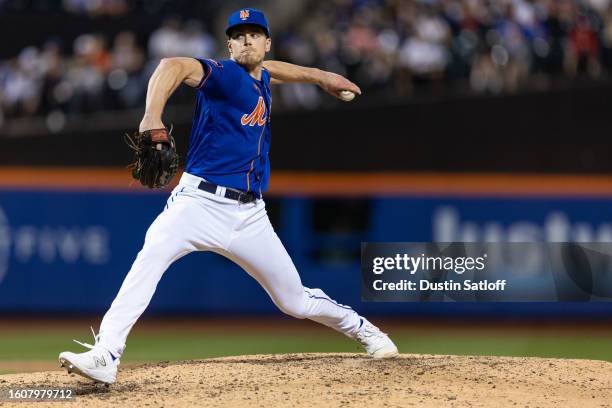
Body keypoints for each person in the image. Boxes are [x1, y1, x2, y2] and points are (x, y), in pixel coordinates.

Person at [59, 8, 398, 386]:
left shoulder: (262, 76)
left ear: (266, 43)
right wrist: (152, 115)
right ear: (229, 45)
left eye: (255, 34)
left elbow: (275, 70)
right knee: (149, 259)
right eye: (239, 35)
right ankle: (106, 353)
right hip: (197, 204)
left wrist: (321, 77)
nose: (247, 40)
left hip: (250, 215)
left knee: (294, 301)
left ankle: (364, 329)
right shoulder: (221, 75)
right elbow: (172, 64)